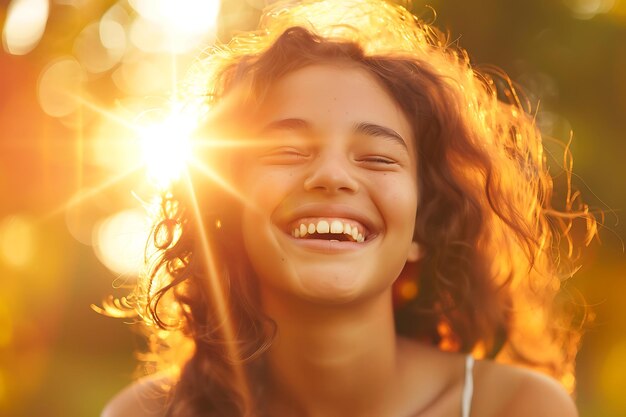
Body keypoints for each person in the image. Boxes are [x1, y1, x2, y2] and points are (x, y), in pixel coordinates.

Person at [102, 0, 597, 416]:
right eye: (288, 151)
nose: (333, 177)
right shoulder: (146, 413)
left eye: (379, 158)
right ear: (225, 210)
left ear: (425, 223)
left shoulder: (518, 408)